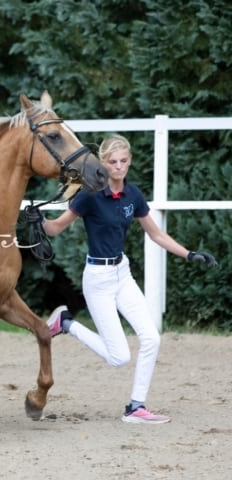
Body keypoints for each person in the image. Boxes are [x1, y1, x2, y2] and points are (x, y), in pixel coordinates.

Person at [36, 134, 217, 424]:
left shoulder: (133, 195)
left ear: (129, 162)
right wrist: (40, 222)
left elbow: (156, 233)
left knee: (151, 339)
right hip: (98, 279)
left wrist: (189, 254)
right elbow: (57, 228)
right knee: (119, 358)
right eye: (112, 162)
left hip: (122, 274)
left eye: (123, 161)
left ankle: (136, 407)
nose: (118, 167)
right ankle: (66, 324)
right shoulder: (90, 195)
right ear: (103, 163)